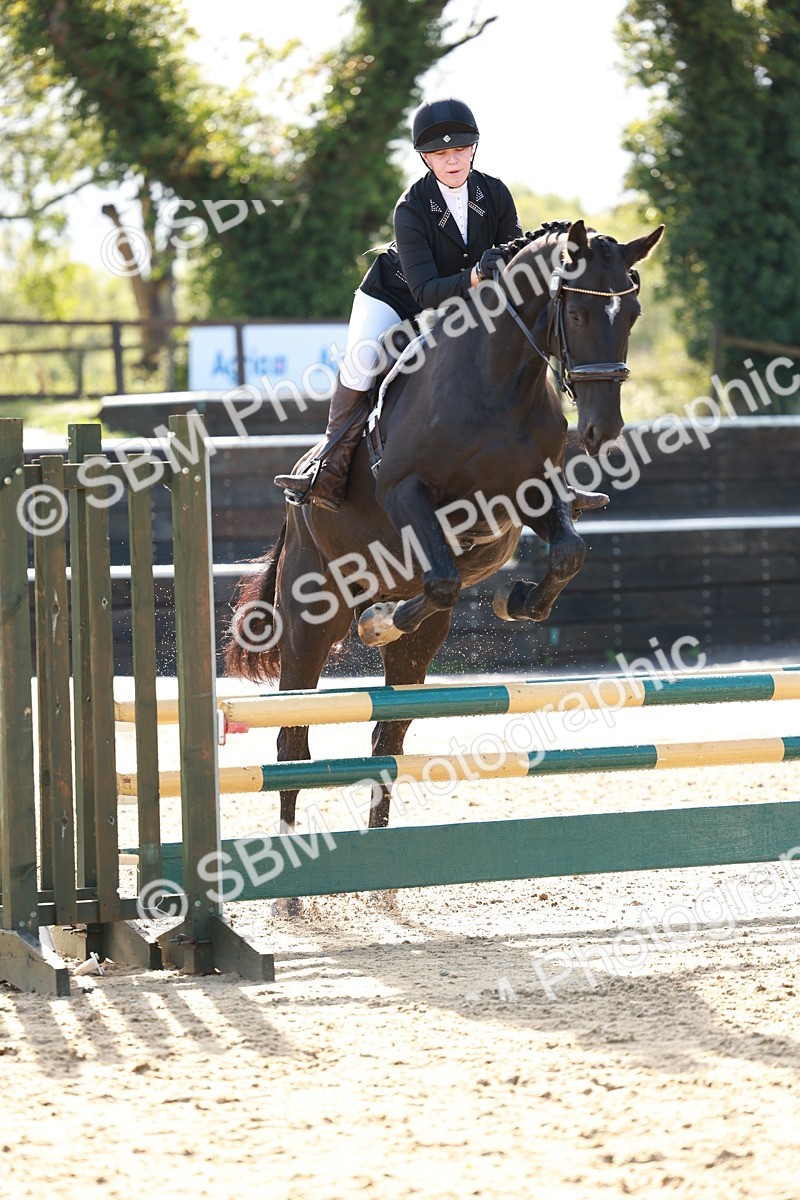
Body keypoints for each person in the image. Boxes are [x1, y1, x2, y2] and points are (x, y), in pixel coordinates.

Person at [274, 96, 522, 511]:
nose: (453, 160)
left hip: (468, 301)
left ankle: (549, 474)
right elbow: (425, 292)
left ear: (474, 148)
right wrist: (479, 274)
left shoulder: (495, 193)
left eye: (460, 149)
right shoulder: (410, 207)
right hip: (398, 298)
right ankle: (330, 464)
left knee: (523, 345)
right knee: (364, 359)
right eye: (441, 153)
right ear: (425, 158)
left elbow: (511, 255)